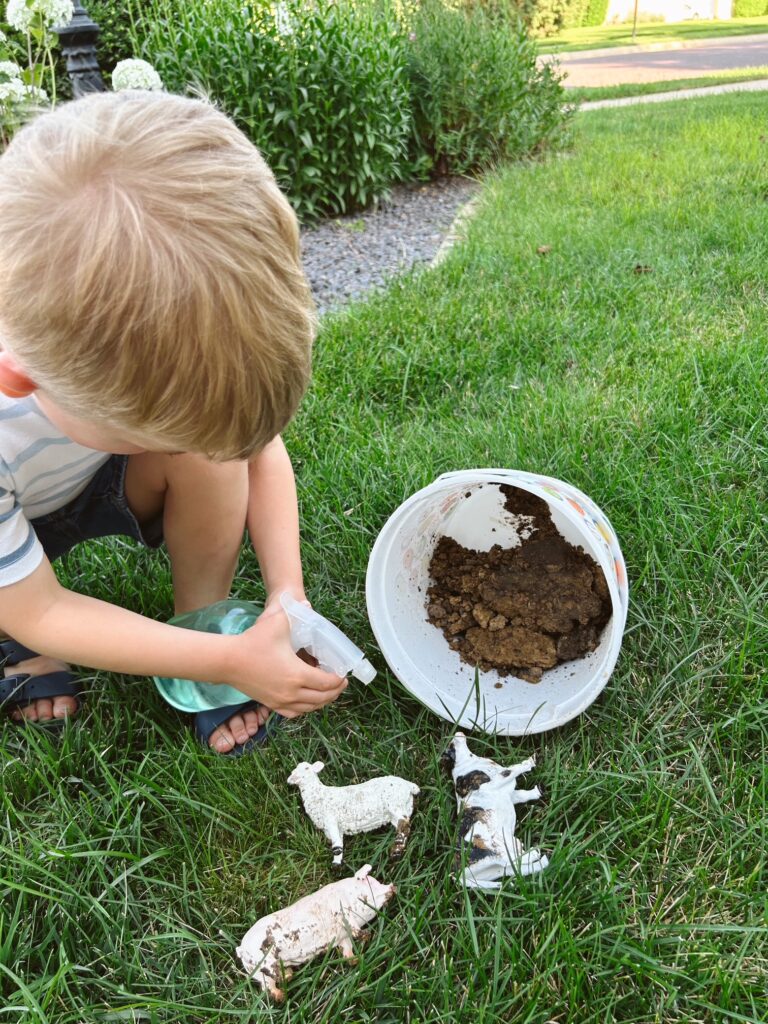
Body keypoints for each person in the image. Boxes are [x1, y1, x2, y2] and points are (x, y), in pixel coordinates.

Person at [0, 89, 348, 755]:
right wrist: (232, 668)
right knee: (22, 609)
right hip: (14, 502)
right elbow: (41, 607)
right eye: (158, 431)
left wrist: (286, 595)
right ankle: (21, 650)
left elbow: (252, 446)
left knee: (211, 454)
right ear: (21, 377)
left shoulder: (73, 373)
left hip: (78, 465)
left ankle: (203, 625)